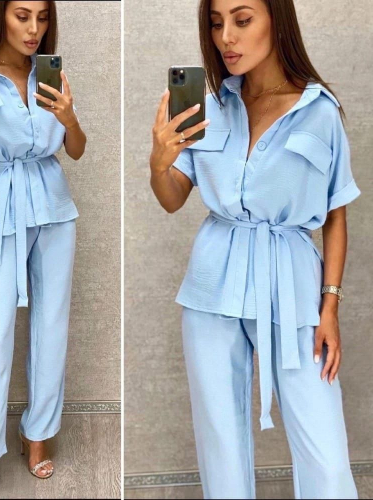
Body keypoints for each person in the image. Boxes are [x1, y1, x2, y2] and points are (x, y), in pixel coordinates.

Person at [149, 0, 360, 498]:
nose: (226, 37)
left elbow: (335, 215)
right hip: (212, 285)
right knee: (221, 443)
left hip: (292, 285)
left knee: (326, 457)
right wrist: (159, 161)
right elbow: (173, 199)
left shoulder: (319, 111)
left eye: (242, 20)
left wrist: (329, 307)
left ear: (275, 21)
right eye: (216, 23)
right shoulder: (209, 106)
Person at [0, 2, 86, 499]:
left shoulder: (51, 73)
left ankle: (37, 433)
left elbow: (76, 149)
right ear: (1, 16)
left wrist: (69, 117)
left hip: (53, 205)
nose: (33, 28)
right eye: (22, 15)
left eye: (42, 18)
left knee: (51, 326)